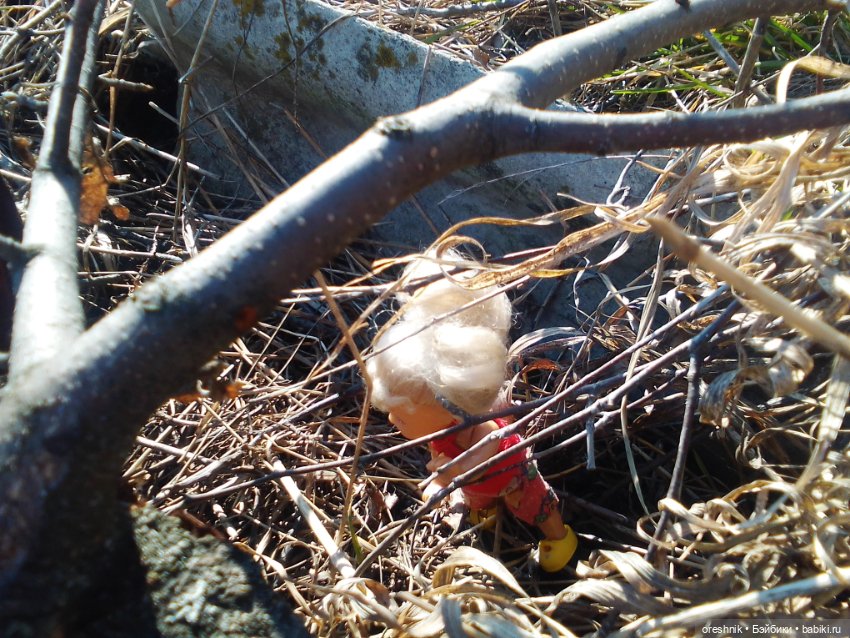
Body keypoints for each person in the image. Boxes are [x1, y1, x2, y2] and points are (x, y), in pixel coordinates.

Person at [365, 250, 577, 572]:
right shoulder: (442, 426)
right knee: (479, 497)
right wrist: (446, 478)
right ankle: (486, 507)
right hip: (477, 484)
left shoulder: (476, 429)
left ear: (452, 412)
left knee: (535, 505)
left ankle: (560, 536)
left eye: (402, 416)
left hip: (509, 474)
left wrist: (452, 473)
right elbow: (440, 454)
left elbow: (492, 442)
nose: (393, 420)